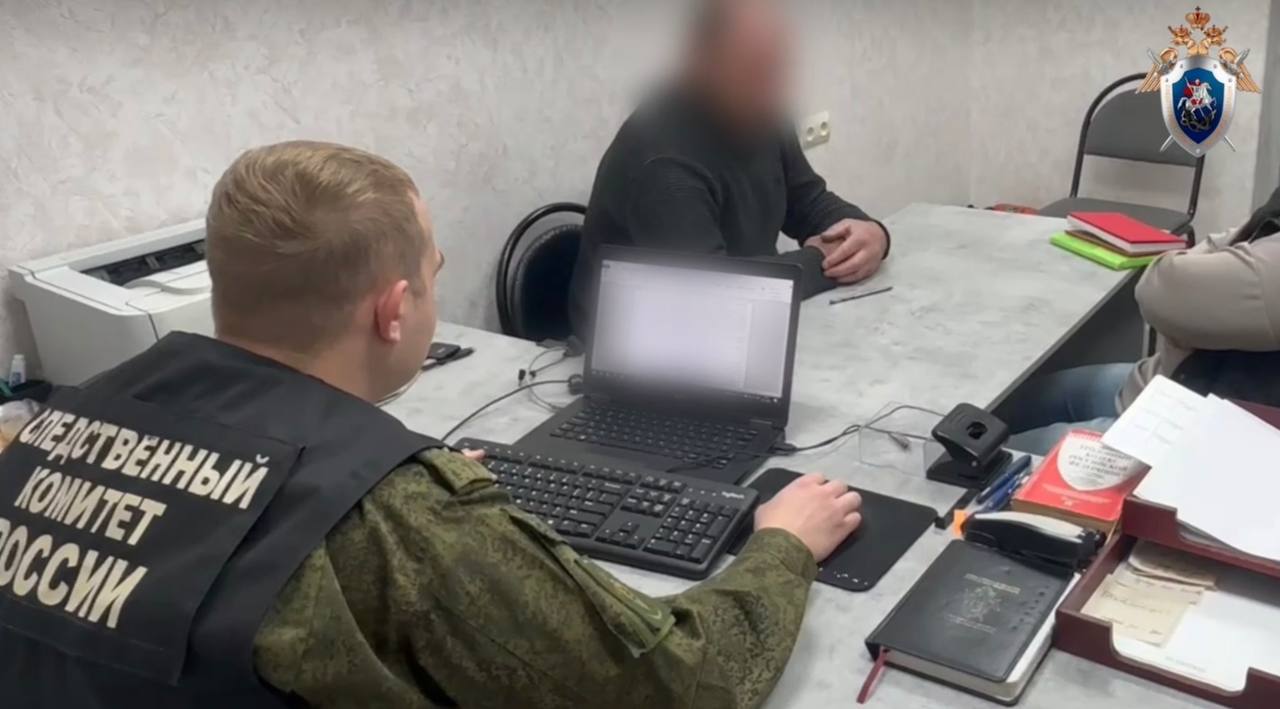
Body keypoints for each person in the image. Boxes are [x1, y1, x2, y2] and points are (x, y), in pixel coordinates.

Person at [0, 141, 864, 709]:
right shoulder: (405, 520)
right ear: (394, 310)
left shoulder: (55, 425)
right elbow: (680, 684)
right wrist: (783, 544)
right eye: (434, 272)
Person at [569, 0, 889, 332]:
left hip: (730, 316)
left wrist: (872, 234)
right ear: (701, 64)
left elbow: (809, 201)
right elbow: (713, 296)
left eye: (776, 69)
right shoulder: (663, 162)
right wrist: (822, 261)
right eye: (752, 70)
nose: (771, 91)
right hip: (634, 340)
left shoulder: (762, 111)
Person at [1006, 185, 1280, 455]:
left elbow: (1160, 286)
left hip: (1200, 435)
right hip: (1175, 380)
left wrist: (1192, 268)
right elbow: (1222, 243)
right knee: (1027, 399)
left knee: (1005, 455)